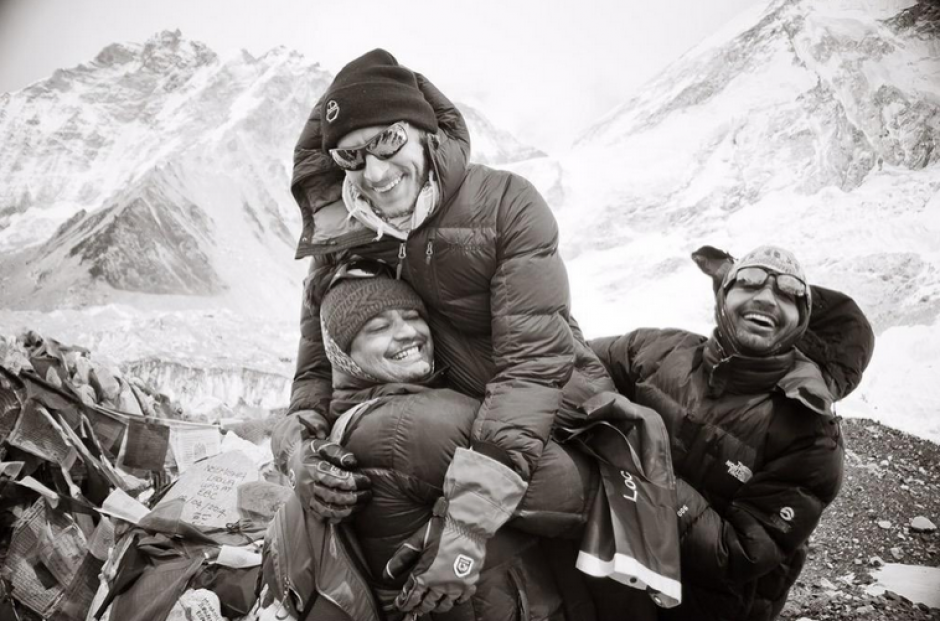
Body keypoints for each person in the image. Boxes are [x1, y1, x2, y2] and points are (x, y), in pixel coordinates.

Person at [271, 47, 611, 567]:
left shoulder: (506, 204)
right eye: (350, 157)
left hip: (555, 417)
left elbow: (531, 369)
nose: (376, 173)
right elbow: (315, 373)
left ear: (425, 130)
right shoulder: (342, 243)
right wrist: (299, 456)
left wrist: (466, 527)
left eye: (387, 141)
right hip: (446, 430)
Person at [261, 265, 668, 621]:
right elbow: (576, 494)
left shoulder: (352, 417)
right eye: (377, 328)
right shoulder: (417, 422)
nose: (407, 334)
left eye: (412, 316)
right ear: (343, 354)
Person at [588, 245, 875, 621]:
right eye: (750, 282)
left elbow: (737, 553)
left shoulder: (812, 434)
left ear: (801, 320)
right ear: (725, 296)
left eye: (788, 293)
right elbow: (573, 359)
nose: (768, 298)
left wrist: (639, 464)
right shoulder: (660, 349)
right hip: (605, 577)